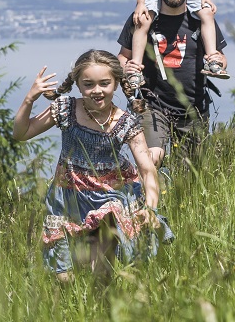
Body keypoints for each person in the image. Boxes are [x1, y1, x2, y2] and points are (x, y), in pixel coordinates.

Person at [13, 49, 174, 281]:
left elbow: (147, 169)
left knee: (99, 271)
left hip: (109, 199)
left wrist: (150, 208)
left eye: (104, 83)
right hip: (68, 198)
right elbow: (22, 133)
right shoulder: (65, 109)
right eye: (88, 84)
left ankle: (103, 311)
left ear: (116, 84)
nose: (96, 91)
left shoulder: (126, 122)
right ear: (78, 84)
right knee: (64, 277)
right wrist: (30, 99)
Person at [118, 0, 228, 169]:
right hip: (152, 105)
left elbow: (221, 58)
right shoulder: (143, 17)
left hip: (193, 108)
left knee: (189, 175)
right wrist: (127, 67)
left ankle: (169, 201)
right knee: (152, 159)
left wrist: (219, 62)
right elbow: (122, 56)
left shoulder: (201, 20)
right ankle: (145, 202)